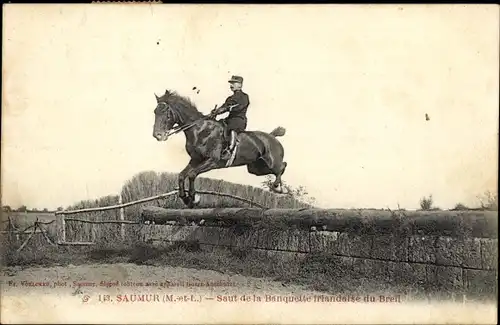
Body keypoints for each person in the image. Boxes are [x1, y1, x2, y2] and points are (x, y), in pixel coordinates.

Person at [210, 75, 250, 160]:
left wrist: (227, 108)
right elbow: (224, 107)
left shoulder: (244, 96)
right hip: (229, 120)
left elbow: (239, 107)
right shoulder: (230, 98)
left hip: (239, 120)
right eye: (231, 83)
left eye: (233, 83)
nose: (231, 85)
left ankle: (229, 150)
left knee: (230, 128)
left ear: (240, 85)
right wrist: (216, 111)